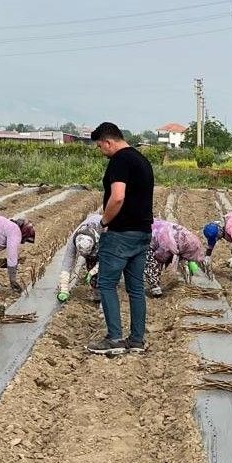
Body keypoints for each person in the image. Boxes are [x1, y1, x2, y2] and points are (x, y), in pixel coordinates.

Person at [87, 122, 154, 356]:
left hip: (120, 234)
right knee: (136, 288)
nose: (100, 151)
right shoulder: (141, 160)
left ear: (108, 141)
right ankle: (137, 340)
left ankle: (114, 338)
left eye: (99, 146)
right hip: (143, 232)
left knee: (107, 284)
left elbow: (117, 198)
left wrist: (104, 222)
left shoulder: (119, 161)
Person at [146, 219, 205, 297]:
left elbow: (160, 256)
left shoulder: (171, 241)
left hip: (166, 238)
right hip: (166, 237)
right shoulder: (177, 239)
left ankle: (155, 287)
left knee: (152, 260)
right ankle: (155, 287)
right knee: (153, 260)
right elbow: (160, 256)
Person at [57, 213, 104, 303]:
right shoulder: (74, 239)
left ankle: (104, 293)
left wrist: (93, 271)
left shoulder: (105, 235)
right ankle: (97, 293)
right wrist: (64, 289)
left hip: (109, 239)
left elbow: (106, 260)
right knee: (92, 270)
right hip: (94, 242)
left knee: (106, 271)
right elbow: (68, 262)